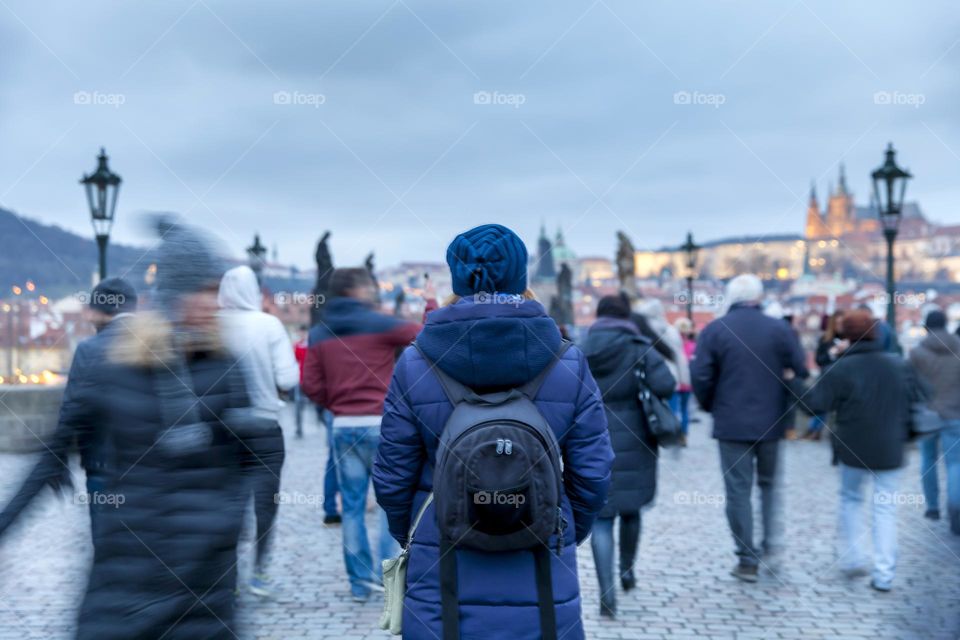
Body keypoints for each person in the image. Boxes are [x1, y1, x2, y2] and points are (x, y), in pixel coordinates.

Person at [3, 220, 256, 639]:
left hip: (204, 587)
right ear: (177, 295)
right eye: (205, 291)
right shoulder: (116, 367)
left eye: (218, 291)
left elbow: (251, 461)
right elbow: (53, 451)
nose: (215, 303)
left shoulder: (225, 368)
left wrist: (224, 525)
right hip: (129, 577)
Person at [373, 224, 613, 639]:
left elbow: (392, 475)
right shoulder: (567, 359)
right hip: (539, 549)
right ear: (521, 277)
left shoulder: (415, 362)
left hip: (442, 549)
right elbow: (593, 471)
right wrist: (563, 524)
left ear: (459, 276)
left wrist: (414, 530)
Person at [302, 267, 420, 602]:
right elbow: (424, 335)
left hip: (343, 427)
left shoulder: (319, 331)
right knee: (388, 505)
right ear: (356, 290)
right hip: (382, 423)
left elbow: (309, 384)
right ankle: (388, 578)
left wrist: (337, 405)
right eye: (369, 287)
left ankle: (358, 584)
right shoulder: (382, 324)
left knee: (351, 508)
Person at [691, 274, 808, 582]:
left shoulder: (715, 330)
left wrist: (710, 405)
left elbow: (700, 376)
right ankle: (770, 544)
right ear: (759, 296)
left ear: (731, 297)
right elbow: (802, 369)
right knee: (769, 486)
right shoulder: (779, 328)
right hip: (773, 420)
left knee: (738, 491)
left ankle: (747, 558)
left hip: (731, 422)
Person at [0, 277, 138, 538]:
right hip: (148, 471)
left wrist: (58, 462)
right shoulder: (155, 347)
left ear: (98, 311)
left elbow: (71, 409)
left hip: (102, 466)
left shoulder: (89, 349)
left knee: (107, 543)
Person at [806, 309, 913, 591]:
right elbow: (917, 399)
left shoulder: (842, 367)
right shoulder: (897, 364)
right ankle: (884, 572)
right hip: (890, 445)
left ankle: (854, 556)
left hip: (853, 444)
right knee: (886, 508)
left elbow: (816, 402)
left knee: (851, 499)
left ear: (846, 335)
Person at [583, 294, 674, 618]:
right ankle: (627, 570)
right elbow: (666, 384)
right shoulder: (638, 345)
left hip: (593, 436)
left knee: (602, 518)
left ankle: (607, 595)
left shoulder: (582, 347)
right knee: (632, 508)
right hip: (636, 433)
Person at [218, 265, 300, 596]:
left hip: (222, 429)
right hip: (265, 426)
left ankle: (226, 574)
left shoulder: (211, 325)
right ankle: (260, 572)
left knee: (225, 502)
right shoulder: (269, 325)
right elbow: (288, 379)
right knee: (265, 503)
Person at [908, 309, 960, 534]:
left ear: (926, 327)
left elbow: (910, 386)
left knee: (928, 459)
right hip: (955, 413)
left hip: (927, 415)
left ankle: (932, 506)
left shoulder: (917, 352)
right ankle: (955, 506)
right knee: (955, 463)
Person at [294, 323, 342, 523]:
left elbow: (311, 381)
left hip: (333, 405)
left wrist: (323, 403)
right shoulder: (366, 333)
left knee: (334, 458)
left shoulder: (320, 337)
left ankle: (331, 508)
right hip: (362, 409)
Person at [636, 298, 691, 444]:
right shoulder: (671, 330)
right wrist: (683, 378)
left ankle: (657, 433)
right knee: (673, 408)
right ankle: (676, 434)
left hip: (648, 375)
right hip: (671, 376)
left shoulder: (641, 330)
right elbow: (679, 356)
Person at [807, 311, 847, 441]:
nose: (840, 326)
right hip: (828, 378)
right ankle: (814, 430)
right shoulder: (825, 339)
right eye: (838, 323)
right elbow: (819, 360)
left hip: (845, 379)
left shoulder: (850, 340)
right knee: (821, 405)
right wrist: (833, 353)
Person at [673, 317, 697, 438]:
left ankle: (675, 434)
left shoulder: (672, 345)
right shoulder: (692, 346)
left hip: (675, 383)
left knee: (674, 410)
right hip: (687, 383)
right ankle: (683, 434)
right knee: (684, 409)